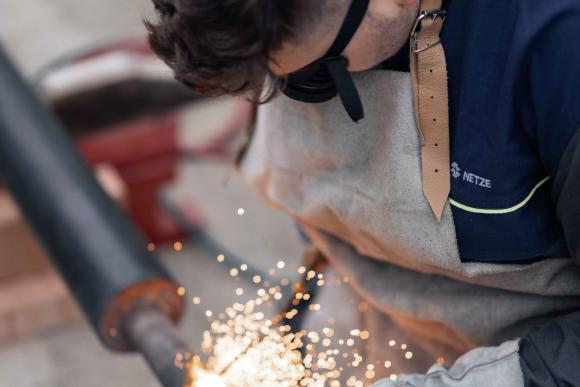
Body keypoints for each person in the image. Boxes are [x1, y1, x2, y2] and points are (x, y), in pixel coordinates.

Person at [146, 0, 580, 385]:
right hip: (371, 309)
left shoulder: (558, 53)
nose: (295, 92)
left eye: (317, 74)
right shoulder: (280, 27)